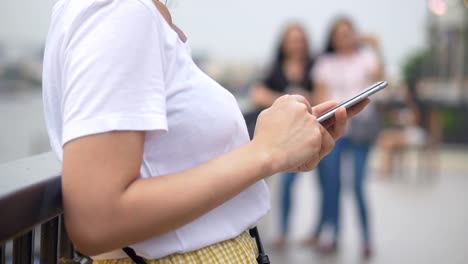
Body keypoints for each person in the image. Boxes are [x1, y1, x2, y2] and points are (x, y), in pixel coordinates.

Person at [42, 0, 368, 263]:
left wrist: (283, 148)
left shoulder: (133, 16)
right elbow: (97, 218)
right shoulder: (119, 12)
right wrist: (266, 153)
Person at [310, 16, 384, 258]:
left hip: (362, 129)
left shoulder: (366, 58)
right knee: (332, 184)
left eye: (348, 32)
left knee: (358, 184)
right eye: (339, 33)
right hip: (335, 128)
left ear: (355, 34)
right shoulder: (324, 63)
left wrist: (376, 46)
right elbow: (320, 97)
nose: (344, 38)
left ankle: (366, 239)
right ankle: (333, 234)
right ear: (332, 38)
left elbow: (380, 78)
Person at [249, 23, 315, 249]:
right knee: (285, 183)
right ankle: (283, 232)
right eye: (291, 39)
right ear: (283, 43)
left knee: (329, 185)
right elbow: (257, 94)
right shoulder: (274, 68)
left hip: (311, 133)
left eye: (299, 39)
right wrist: (289, 101)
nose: (295, 44)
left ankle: (321, 233)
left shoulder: (315, 67)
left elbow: (323, 94)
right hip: (283, 139)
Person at [376, 87, 427, 177]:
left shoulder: (415, 106)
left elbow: (414, 122)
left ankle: (386, 170)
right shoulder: (405, 106)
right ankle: (386, 168)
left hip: (415, 133)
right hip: (407, 132)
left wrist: (400, 119)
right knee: (385, 138)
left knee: (388, 142)